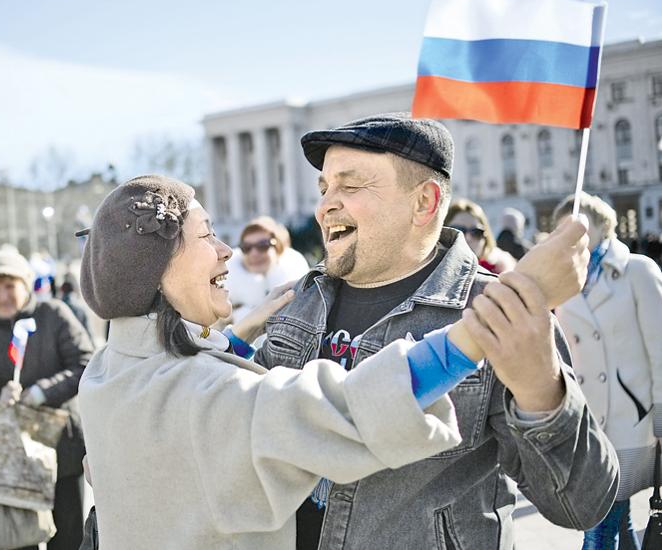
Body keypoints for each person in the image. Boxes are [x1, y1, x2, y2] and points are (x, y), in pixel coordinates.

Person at [76, 174, 594, 549]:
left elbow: (181, 371)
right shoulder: (209, 399)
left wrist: (239, 332)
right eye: (207, 234)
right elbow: (351, 408)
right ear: (159, 266)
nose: (227, 250)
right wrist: (500, 313)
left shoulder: (105, 372)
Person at [254, 113, 618, 550]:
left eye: (350, 187)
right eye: (324, 188)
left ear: (424, 203)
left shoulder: (497, 309)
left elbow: (581, 504)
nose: (325, 205)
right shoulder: (299, 300)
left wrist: (542, 391)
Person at [552, 192, 662, 549]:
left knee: (599, 526)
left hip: (631, 419)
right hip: (585, 420)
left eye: (580, 223)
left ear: (602, 224)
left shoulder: (637, 270)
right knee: (617, 517)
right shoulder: (565, 278)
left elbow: (659, 348)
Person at [0, 249, 93, 550]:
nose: (3, 295)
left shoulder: (54, 314)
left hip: (64, 448)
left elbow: (86, 364)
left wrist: (43, 391)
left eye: (10, 285)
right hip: (15, 460)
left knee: (68, 537)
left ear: (25, 283)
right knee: (19, 541)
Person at [226, 216, 310, 322]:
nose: (254, 253)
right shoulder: (224, 298)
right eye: (246, 247)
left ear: (278, 248)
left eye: (263, 245)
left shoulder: (297, 284)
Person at [446, 198, 517, 274]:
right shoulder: (433, 272)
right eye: (458, 230)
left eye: (476, 232)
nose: (468, 238)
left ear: (486, 238)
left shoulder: (502, 273)